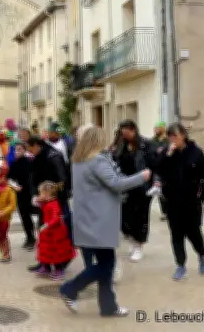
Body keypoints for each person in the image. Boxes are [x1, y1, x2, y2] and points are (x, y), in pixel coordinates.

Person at [59, 124, 150, 317]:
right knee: (105, 265)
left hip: (87, 219)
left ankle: (109, 306)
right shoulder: (96, 161)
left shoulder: (78, 160)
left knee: (106, 264)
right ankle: (70, 289)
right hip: (99, 221)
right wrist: (142, 176)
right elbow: (117, 184)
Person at [154, 123, 204, 281]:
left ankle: (202, 255)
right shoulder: (166, 152)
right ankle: (180, 265)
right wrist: (167, 155)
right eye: (170, 137)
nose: (172, 140)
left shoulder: (196, 153)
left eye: (175, 136)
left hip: (192, 200)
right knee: (176, 234)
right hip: (172, 201)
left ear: (183, 136)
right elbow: (158, 170)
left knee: (193, 232)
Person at [113, 119, 157, 262]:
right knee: (125, 218)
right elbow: (116, 162)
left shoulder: (146, 145)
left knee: (140, 218)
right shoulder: (121, 145)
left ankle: (139, 246)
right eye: (122, 133)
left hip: (143, 187)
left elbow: (155, 165)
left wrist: (156, 182)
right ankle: (133, 241)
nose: (124, 135)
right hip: (126, 185)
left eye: (126, 132)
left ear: (133, 130)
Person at [25, 135, 70, 272]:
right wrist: (35, 194)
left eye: (30, 148)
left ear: (37, 146)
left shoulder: (53, 156)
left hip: (56, 202)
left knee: (57, 234)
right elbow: (33, 176)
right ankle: (44, 262)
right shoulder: (38, 157)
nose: (29, 151)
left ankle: (60, 263)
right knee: (43, 233)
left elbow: (62, 180)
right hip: (44, 201)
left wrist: (49, 194)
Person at [34, 182, 76, 280]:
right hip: (48, 233)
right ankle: (46, 266)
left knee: (56, 252)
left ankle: (59, 269)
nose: (39, 195)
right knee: (46, 250)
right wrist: (38, 201)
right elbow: (41, 207)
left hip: (55, 233)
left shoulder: (54, 204)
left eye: (41, 193)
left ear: (47, 194)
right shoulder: (48, 202)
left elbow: (56, 218)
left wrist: (47, 225)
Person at [7, 142, 35, 250]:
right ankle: (29, 236)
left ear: (24, 150)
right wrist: (13, 185)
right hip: (18, 192)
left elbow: (30, 177)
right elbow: (9, 177)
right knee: (23, 216)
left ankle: (31, 238)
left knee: (27, 215)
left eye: (20, 149)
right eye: (16, 149)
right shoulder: (14, 163)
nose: (17, 151)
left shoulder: (28, 162)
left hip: (27, 192)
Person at [151, 121, 169, 221]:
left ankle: (171, 211)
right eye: (155, 128)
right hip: (157, 168)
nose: (155, 130)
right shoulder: (153, 140)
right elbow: (150, 150)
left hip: (169, 168)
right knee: (160, 191)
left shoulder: (169, 139)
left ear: (163, 128)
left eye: (157, 128)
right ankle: (165, 212)